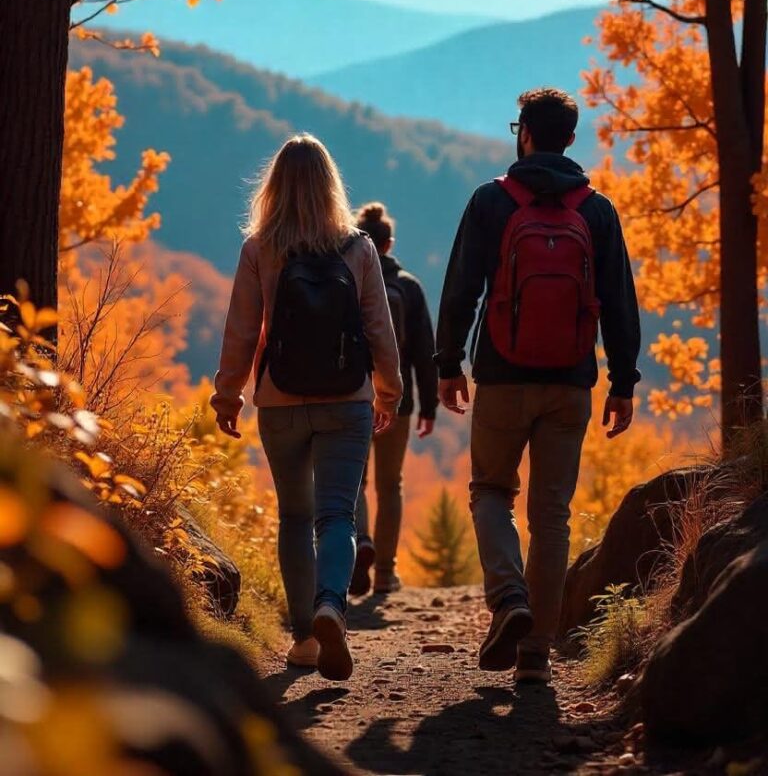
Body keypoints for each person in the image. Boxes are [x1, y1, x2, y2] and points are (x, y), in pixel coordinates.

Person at [435, 88, 640, 685]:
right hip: (570, 383)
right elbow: (619, 302)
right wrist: (622, 381)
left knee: (490, 491)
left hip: (501, 377)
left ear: (523, 132)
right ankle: (537, 655)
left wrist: (448, 363)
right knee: (551, 514)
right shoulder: (595, 209)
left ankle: (509, 600)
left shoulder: (491, 201)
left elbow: (461, 288)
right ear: (571, 139)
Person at [211, 135, 403, 682]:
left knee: (294, 517)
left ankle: (303, 639)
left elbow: (242, 330)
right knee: (337, 514)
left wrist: (228, 396)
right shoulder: (359, 248)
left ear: (274, 188)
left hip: (280, 403)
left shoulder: (260, 248)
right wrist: (388, 392)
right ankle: (330, 607)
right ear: (330, 187)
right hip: (348, 402)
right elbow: (379, 331)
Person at [350, 203, 439, 597]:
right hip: (397, 400)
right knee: (391, 485)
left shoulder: (346, 278)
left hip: (352, 395)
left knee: (353, 480)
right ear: (389, 243)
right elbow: (425, 352)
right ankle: (385, 572)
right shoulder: (410, 286)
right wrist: (429, 406)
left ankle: (361, 542)